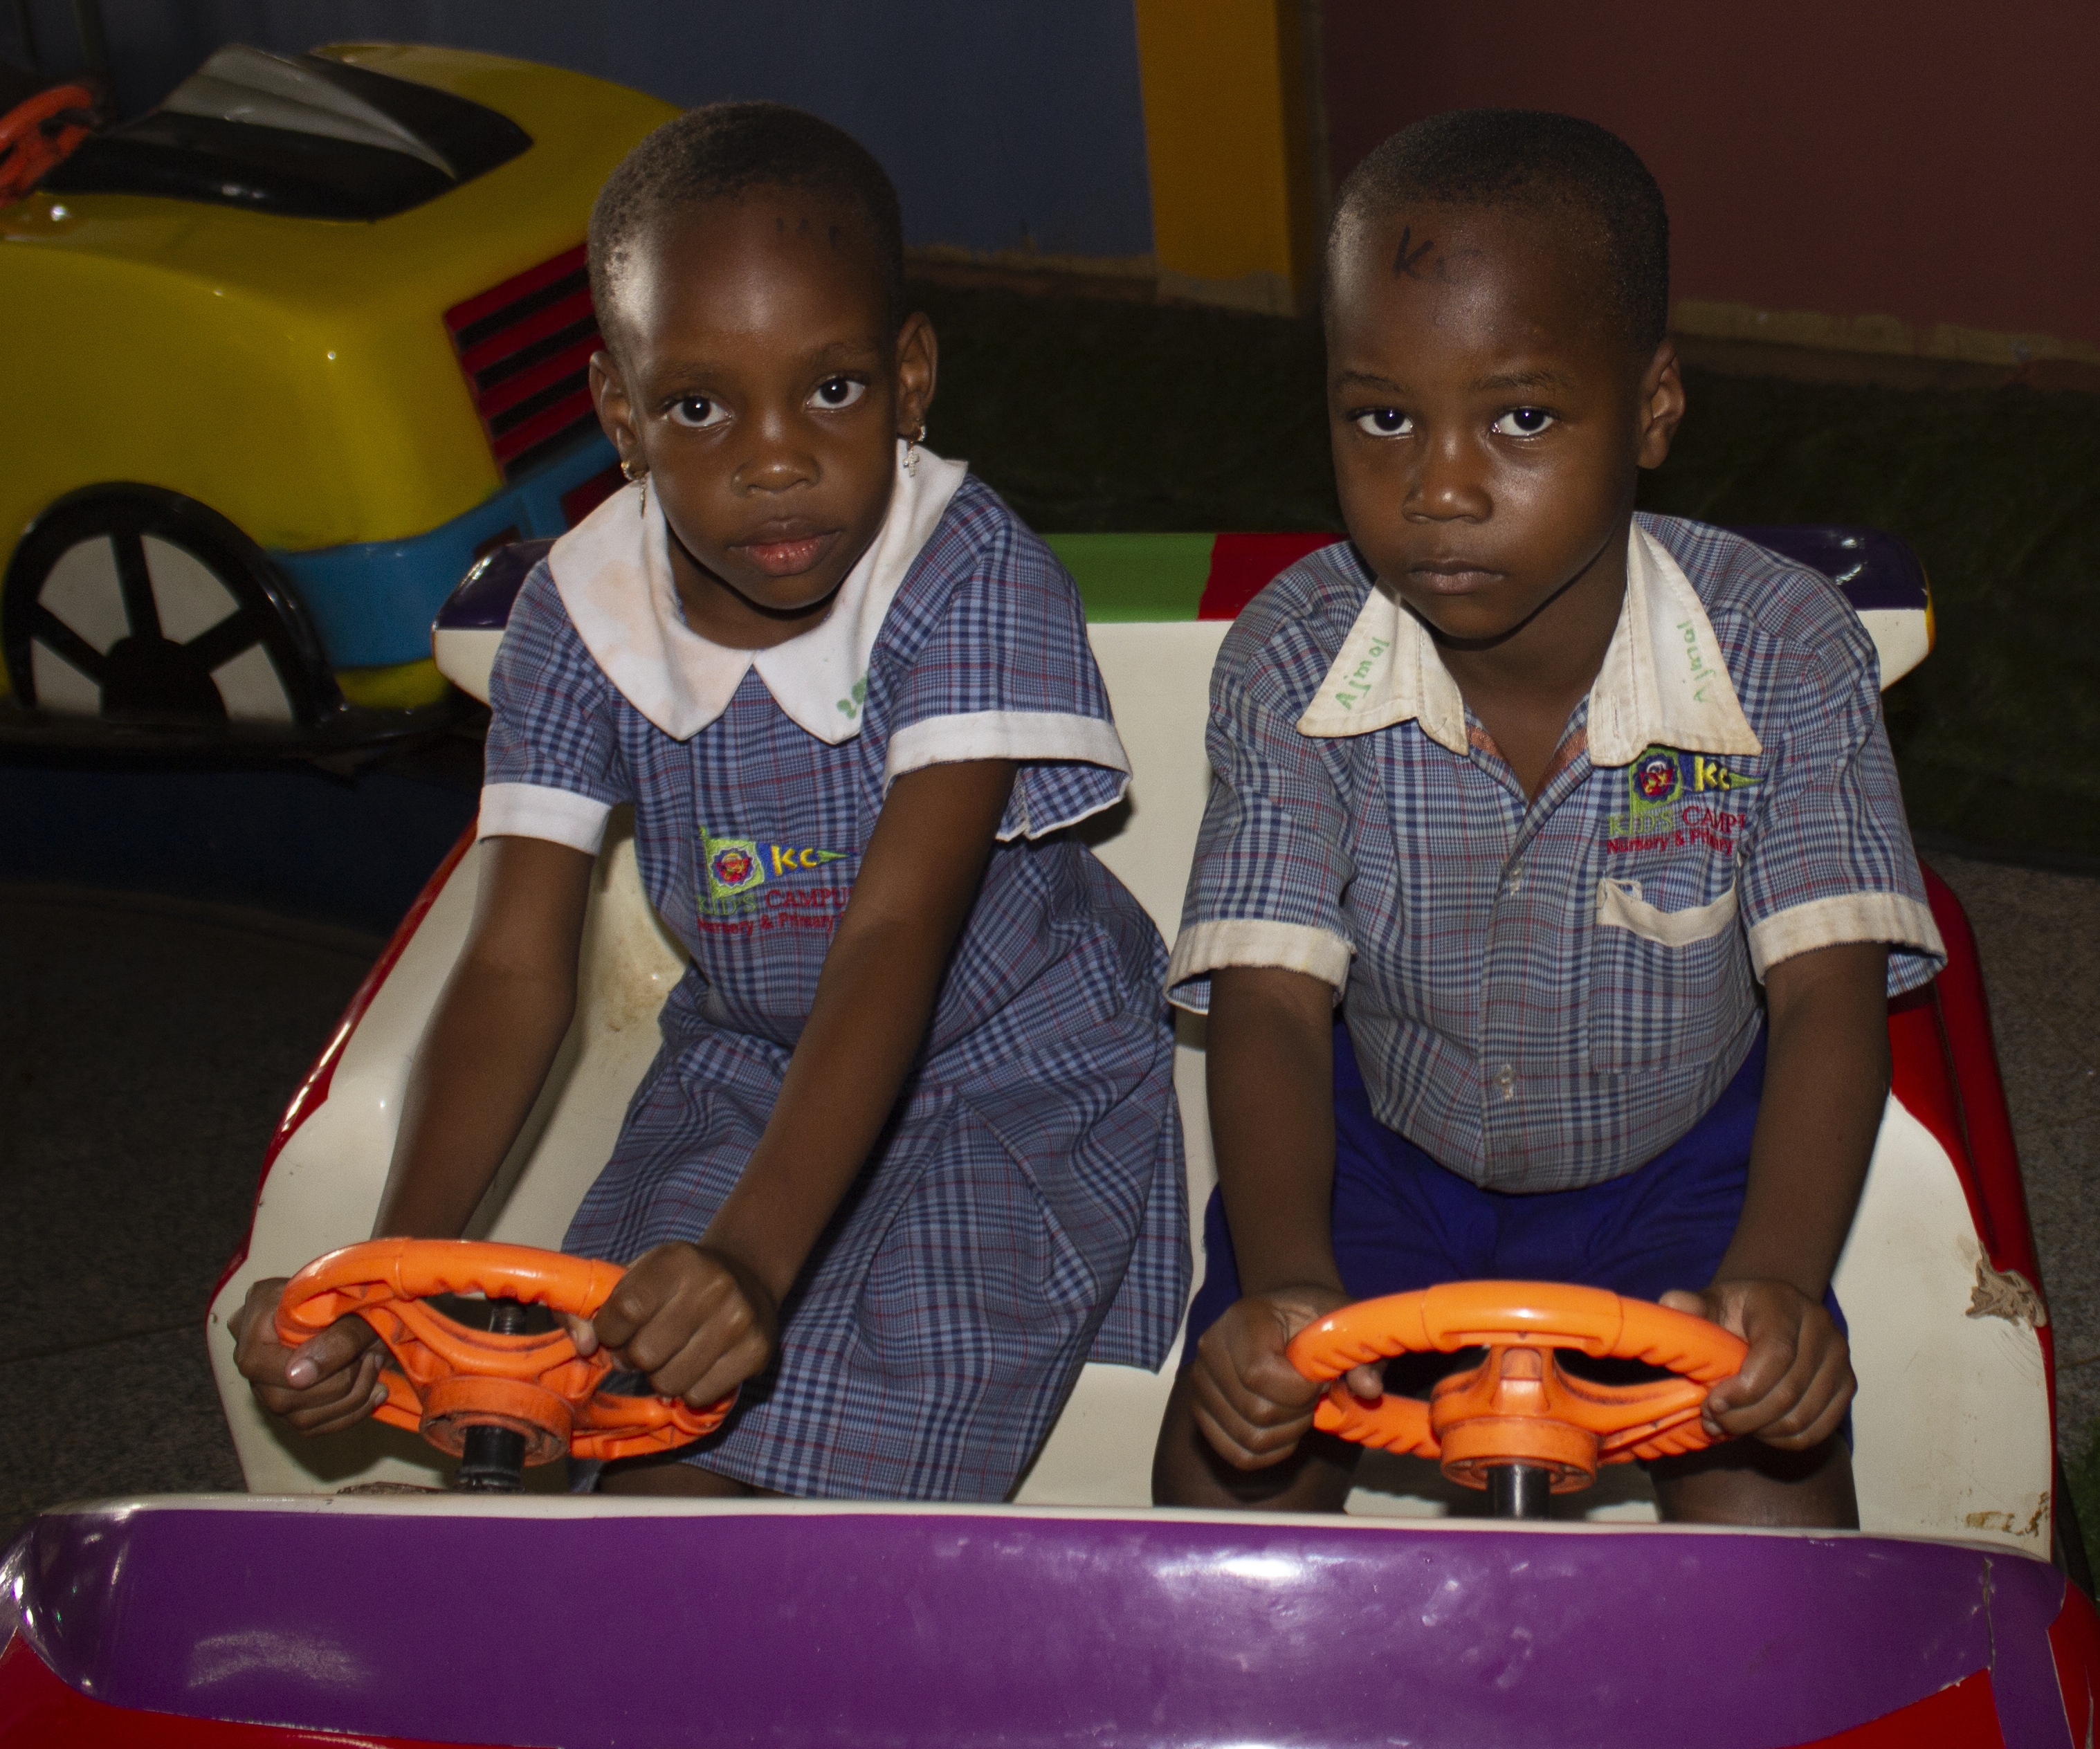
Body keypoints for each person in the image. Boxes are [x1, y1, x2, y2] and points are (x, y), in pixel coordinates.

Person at [231, 102, 1188, 1501]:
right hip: (745, 1066)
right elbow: (513, 967)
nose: (774, 457)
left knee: (846, 1443)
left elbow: (894, 939)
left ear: (910, 379)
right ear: (620, 414)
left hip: (1013, 1075)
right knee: (614, 1405)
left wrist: (751, 1253)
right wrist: (392, 1269)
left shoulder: (966, 576)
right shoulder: (580, 617)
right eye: (698, 406)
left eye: (832, 390)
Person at [1151, 109, 1944, 1526]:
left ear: (1650, 408)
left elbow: (1827, 995)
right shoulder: (1289, 656)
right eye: (1381, 417)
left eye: (1519, 418)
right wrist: (1285, 1286)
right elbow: (1267, 1005)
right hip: (1379, 1156)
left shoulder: (1783, 649)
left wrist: (1773, 1274)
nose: (1439, 488)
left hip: (1683, 1168)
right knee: (1223, 1477)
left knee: (1779, 1521)